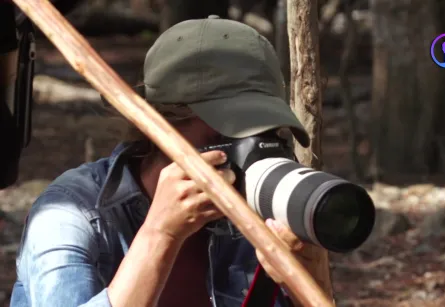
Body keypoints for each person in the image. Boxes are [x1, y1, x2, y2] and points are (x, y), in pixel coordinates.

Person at [10, 15, 316, 307]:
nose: (252, 153)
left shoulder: (263, 213)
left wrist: (312, 277)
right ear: (159, 124)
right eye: (234, 131)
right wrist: (161, 234)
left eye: (267, 133)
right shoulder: (70, 213)